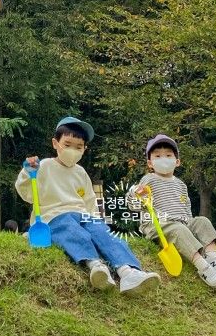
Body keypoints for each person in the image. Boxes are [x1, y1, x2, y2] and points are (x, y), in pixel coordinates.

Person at [15, 116, 160, 296]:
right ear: (55, 143)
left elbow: (90, 201)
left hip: (81, 214)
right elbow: (27, 193)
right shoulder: (44, 166)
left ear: (84, 149)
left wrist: (96, 221)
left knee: (105, 233)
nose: (73, 150)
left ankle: (128, 272)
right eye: (67, 145)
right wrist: (27, 173)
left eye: (78, 147)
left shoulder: (81, 172)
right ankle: (95, 266)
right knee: (73, 231)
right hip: (53, 216)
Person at [126, 133, 216, 289]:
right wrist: (135, 193)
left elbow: (186, 207)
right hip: (158, 224)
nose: (163, 159)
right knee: (179, 229)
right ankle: (203, 267)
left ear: (177, 162)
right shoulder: (149, 179)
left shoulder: (181, 184)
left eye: (168, 155)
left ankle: (213, 260)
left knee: (202, 221)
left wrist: (191, 225)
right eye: (158, 156)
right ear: (150, 163)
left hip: (182, 221)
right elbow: (134, 205)